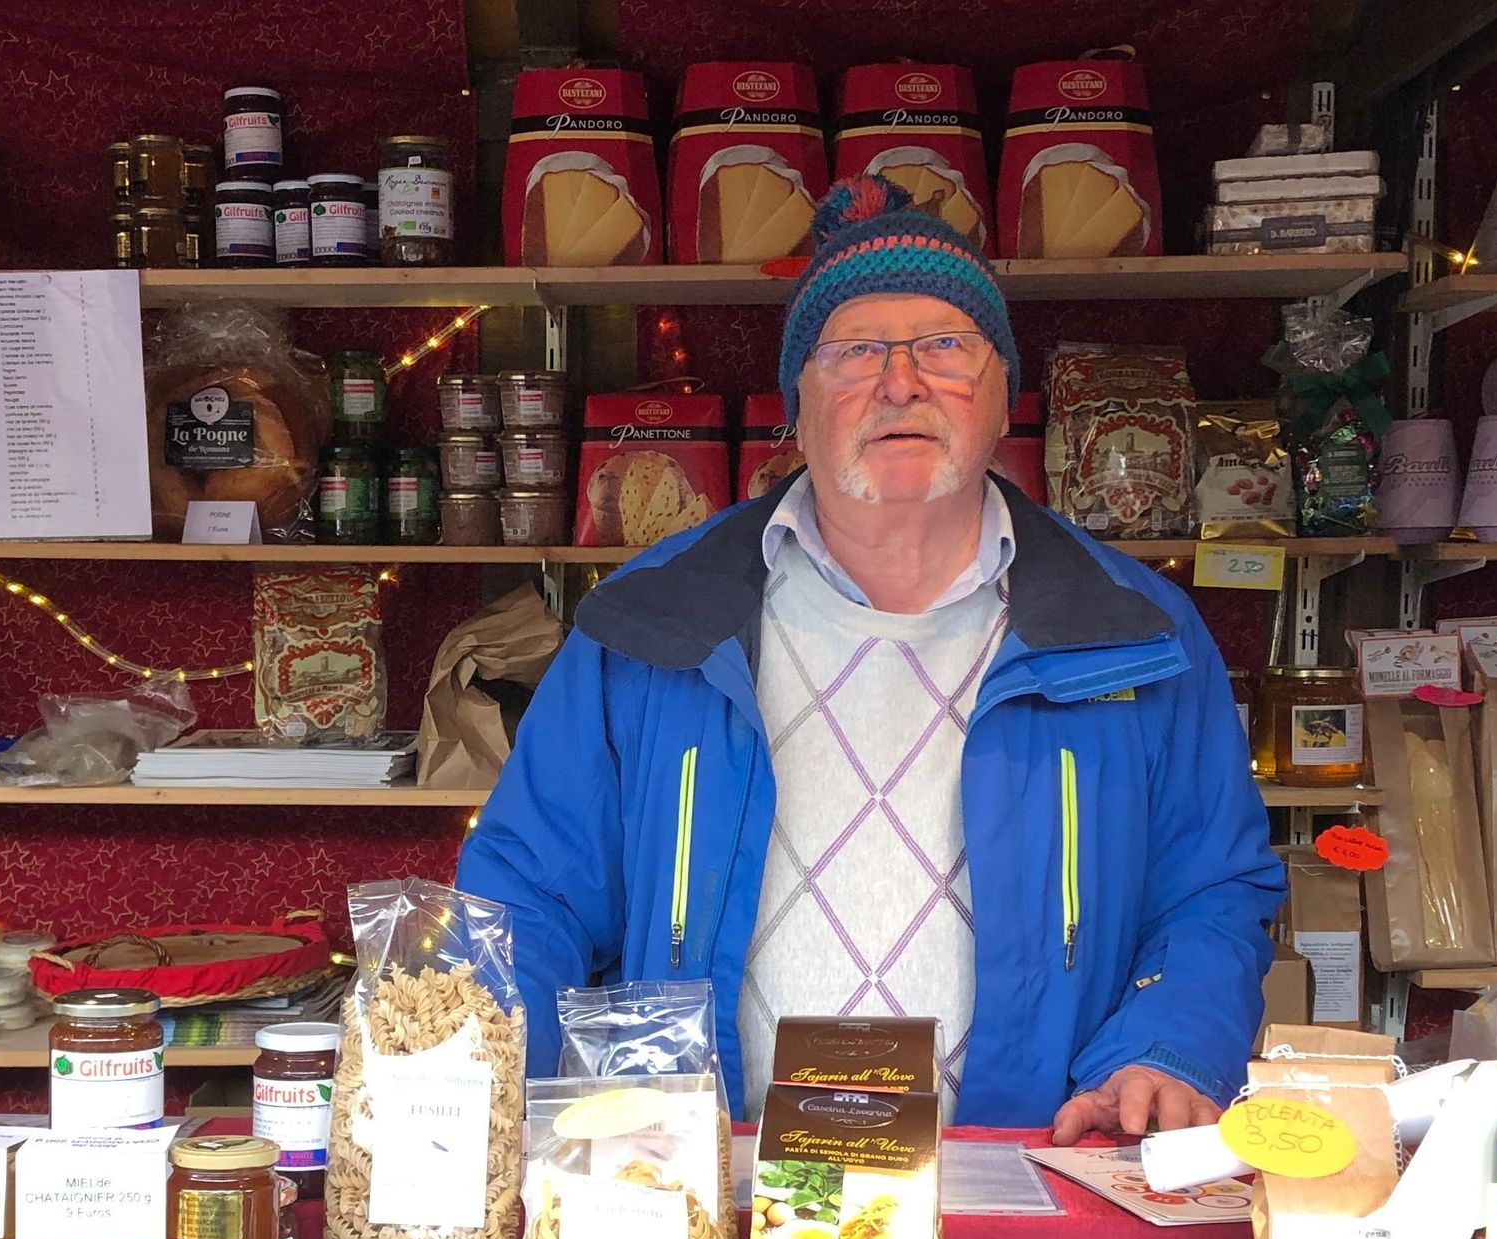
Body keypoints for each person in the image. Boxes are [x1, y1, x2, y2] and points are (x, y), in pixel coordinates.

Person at [457, 175, 1283, 1135]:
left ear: (1002, 397)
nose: (901, 382)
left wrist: (1167, 1043)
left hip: (1021, 1163)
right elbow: (528, 892)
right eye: (854, 353)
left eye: (944, 346)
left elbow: (1211, 890)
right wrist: (463, 1062)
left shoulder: (1137, 631)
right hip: (705, 1184)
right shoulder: (651, 621)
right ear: (796, 408)